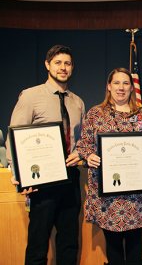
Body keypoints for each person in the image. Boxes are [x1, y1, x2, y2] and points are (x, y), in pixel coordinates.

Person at [6, 45, 85, 265]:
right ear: (47, 65)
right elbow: (15, 136)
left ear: (72, 68)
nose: (63, 68)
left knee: (69, 242)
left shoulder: (77, 102)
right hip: (42, 181)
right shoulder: (30, 96)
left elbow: (81, 140)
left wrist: (79, 153)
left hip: (70, 178)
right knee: (38, 243)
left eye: (67, 63)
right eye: (58, 62)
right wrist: (18, 173)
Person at [76, 68, 142, 265]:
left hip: (136, 194)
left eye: (125, 83)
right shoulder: (95, 114)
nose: (121, 87)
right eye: (117, 83)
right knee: (113, 249)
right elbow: (83, 144)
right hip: (108, 195)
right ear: (109, 86)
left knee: (135, 246)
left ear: (131, 88)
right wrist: (89, 156)